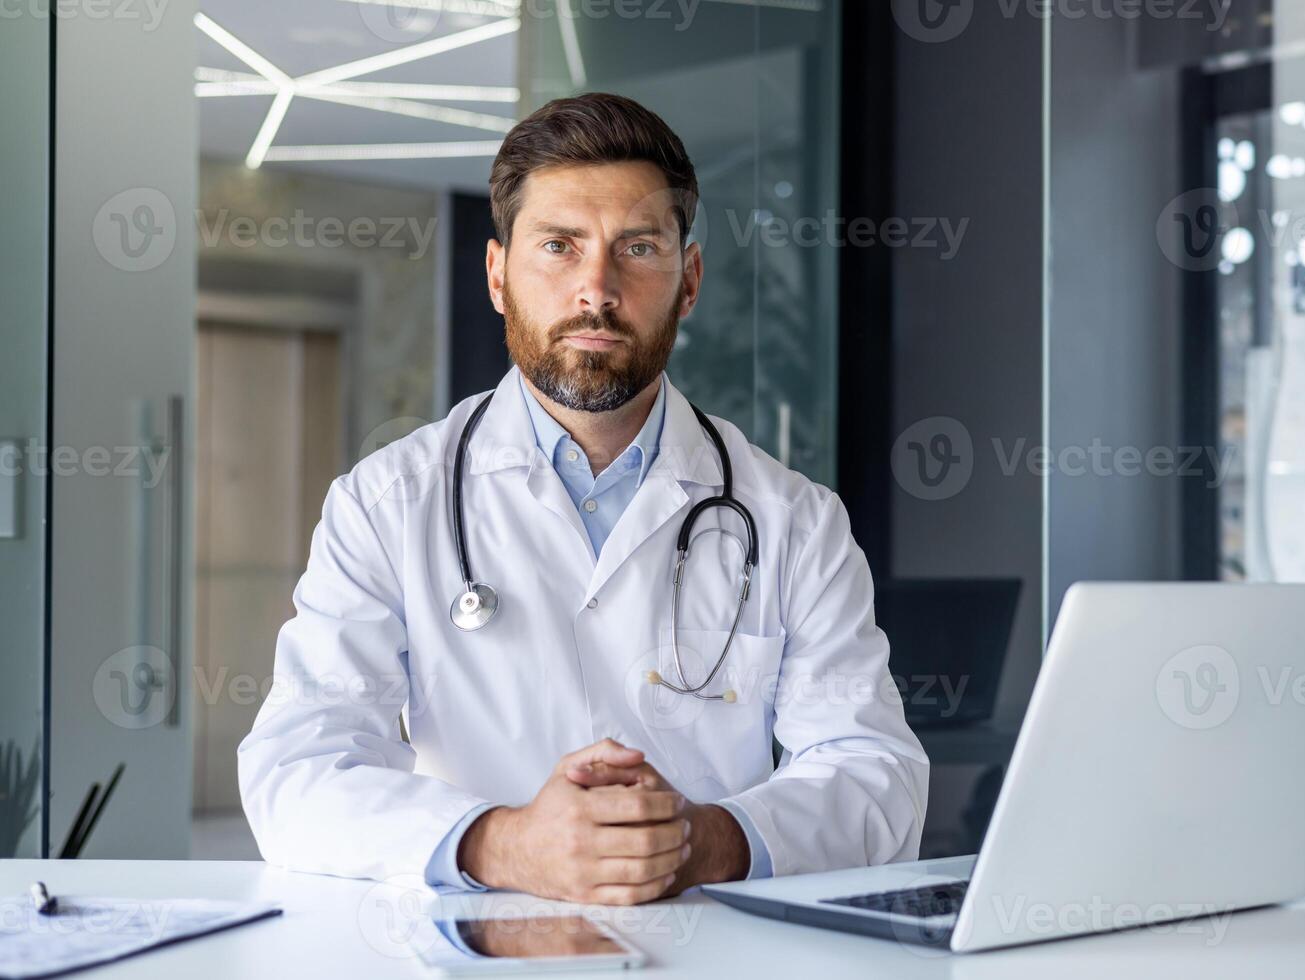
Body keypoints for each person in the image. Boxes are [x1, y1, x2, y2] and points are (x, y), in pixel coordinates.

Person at [238, 92, 928, 905]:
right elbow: (298, 770)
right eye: (559, 246)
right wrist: (501, 844)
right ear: (498, 276)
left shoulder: (794, 521)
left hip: (712, 950)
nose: (595, 288)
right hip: (476, 949)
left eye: (637, 247)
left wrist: (708, 840)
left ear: (690, 279)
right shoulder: (385, 505)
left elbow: (877, 775)